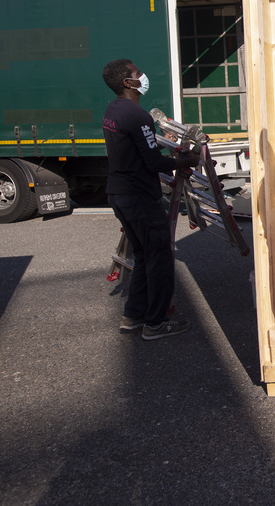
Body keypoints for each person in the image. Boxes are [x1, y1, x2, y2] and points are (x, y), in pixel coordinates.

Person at [102, 59, 198, 341]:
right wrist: (186, 160)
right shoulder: (136, 116)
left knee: (143, 256)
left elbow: (138, 151)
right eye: (136, 73)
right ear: (127, 83)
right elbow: (152, 161)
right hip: (139, 197)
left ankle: (133, 316)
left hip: (119, 194)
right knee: (159, 259)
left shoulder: (113, 110)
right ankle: (155, 323)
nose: (142, 76)